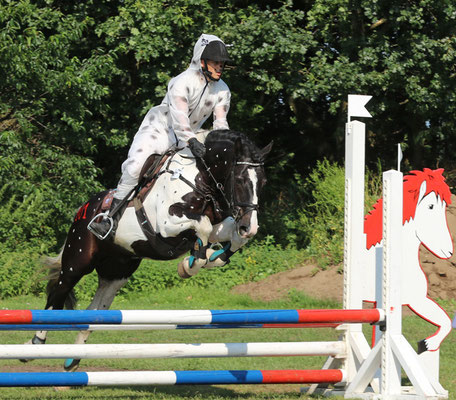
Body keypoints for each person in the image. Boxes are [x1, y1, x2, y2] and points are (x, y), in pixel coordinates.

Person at [89, 33, 232, 239]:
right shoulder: (181, 82)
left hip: (190, 135)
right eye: (215, 62)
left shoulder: (223, 90)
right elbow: (179, 117)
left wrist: (222, 148)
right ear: (202, 61)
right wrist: (191, 141)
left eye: (222, 63)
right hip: (160, 129)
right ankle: (110, 218)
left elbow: (220, 124)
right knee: (135, 167)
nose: (220, 67)